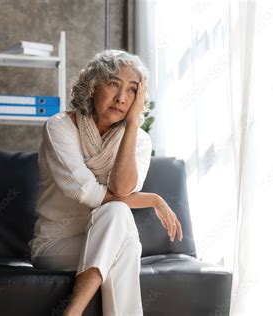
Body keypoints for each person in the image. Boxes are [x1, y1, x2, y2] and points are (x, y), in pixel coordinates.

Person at [28, 49, 183, 316]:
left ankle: (72, 312)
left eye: (132, 90)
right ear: (92, 85)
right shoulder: (60, 128)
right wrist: (152, 199)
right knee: (122, 228)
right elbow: (87, 192)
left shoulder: (140, 141)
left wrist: (133, 125)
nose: (122, 98)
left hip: (104, 238)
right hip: (57, 244)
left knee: (118, 215)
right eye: (113, 84)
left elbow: (122, 191)